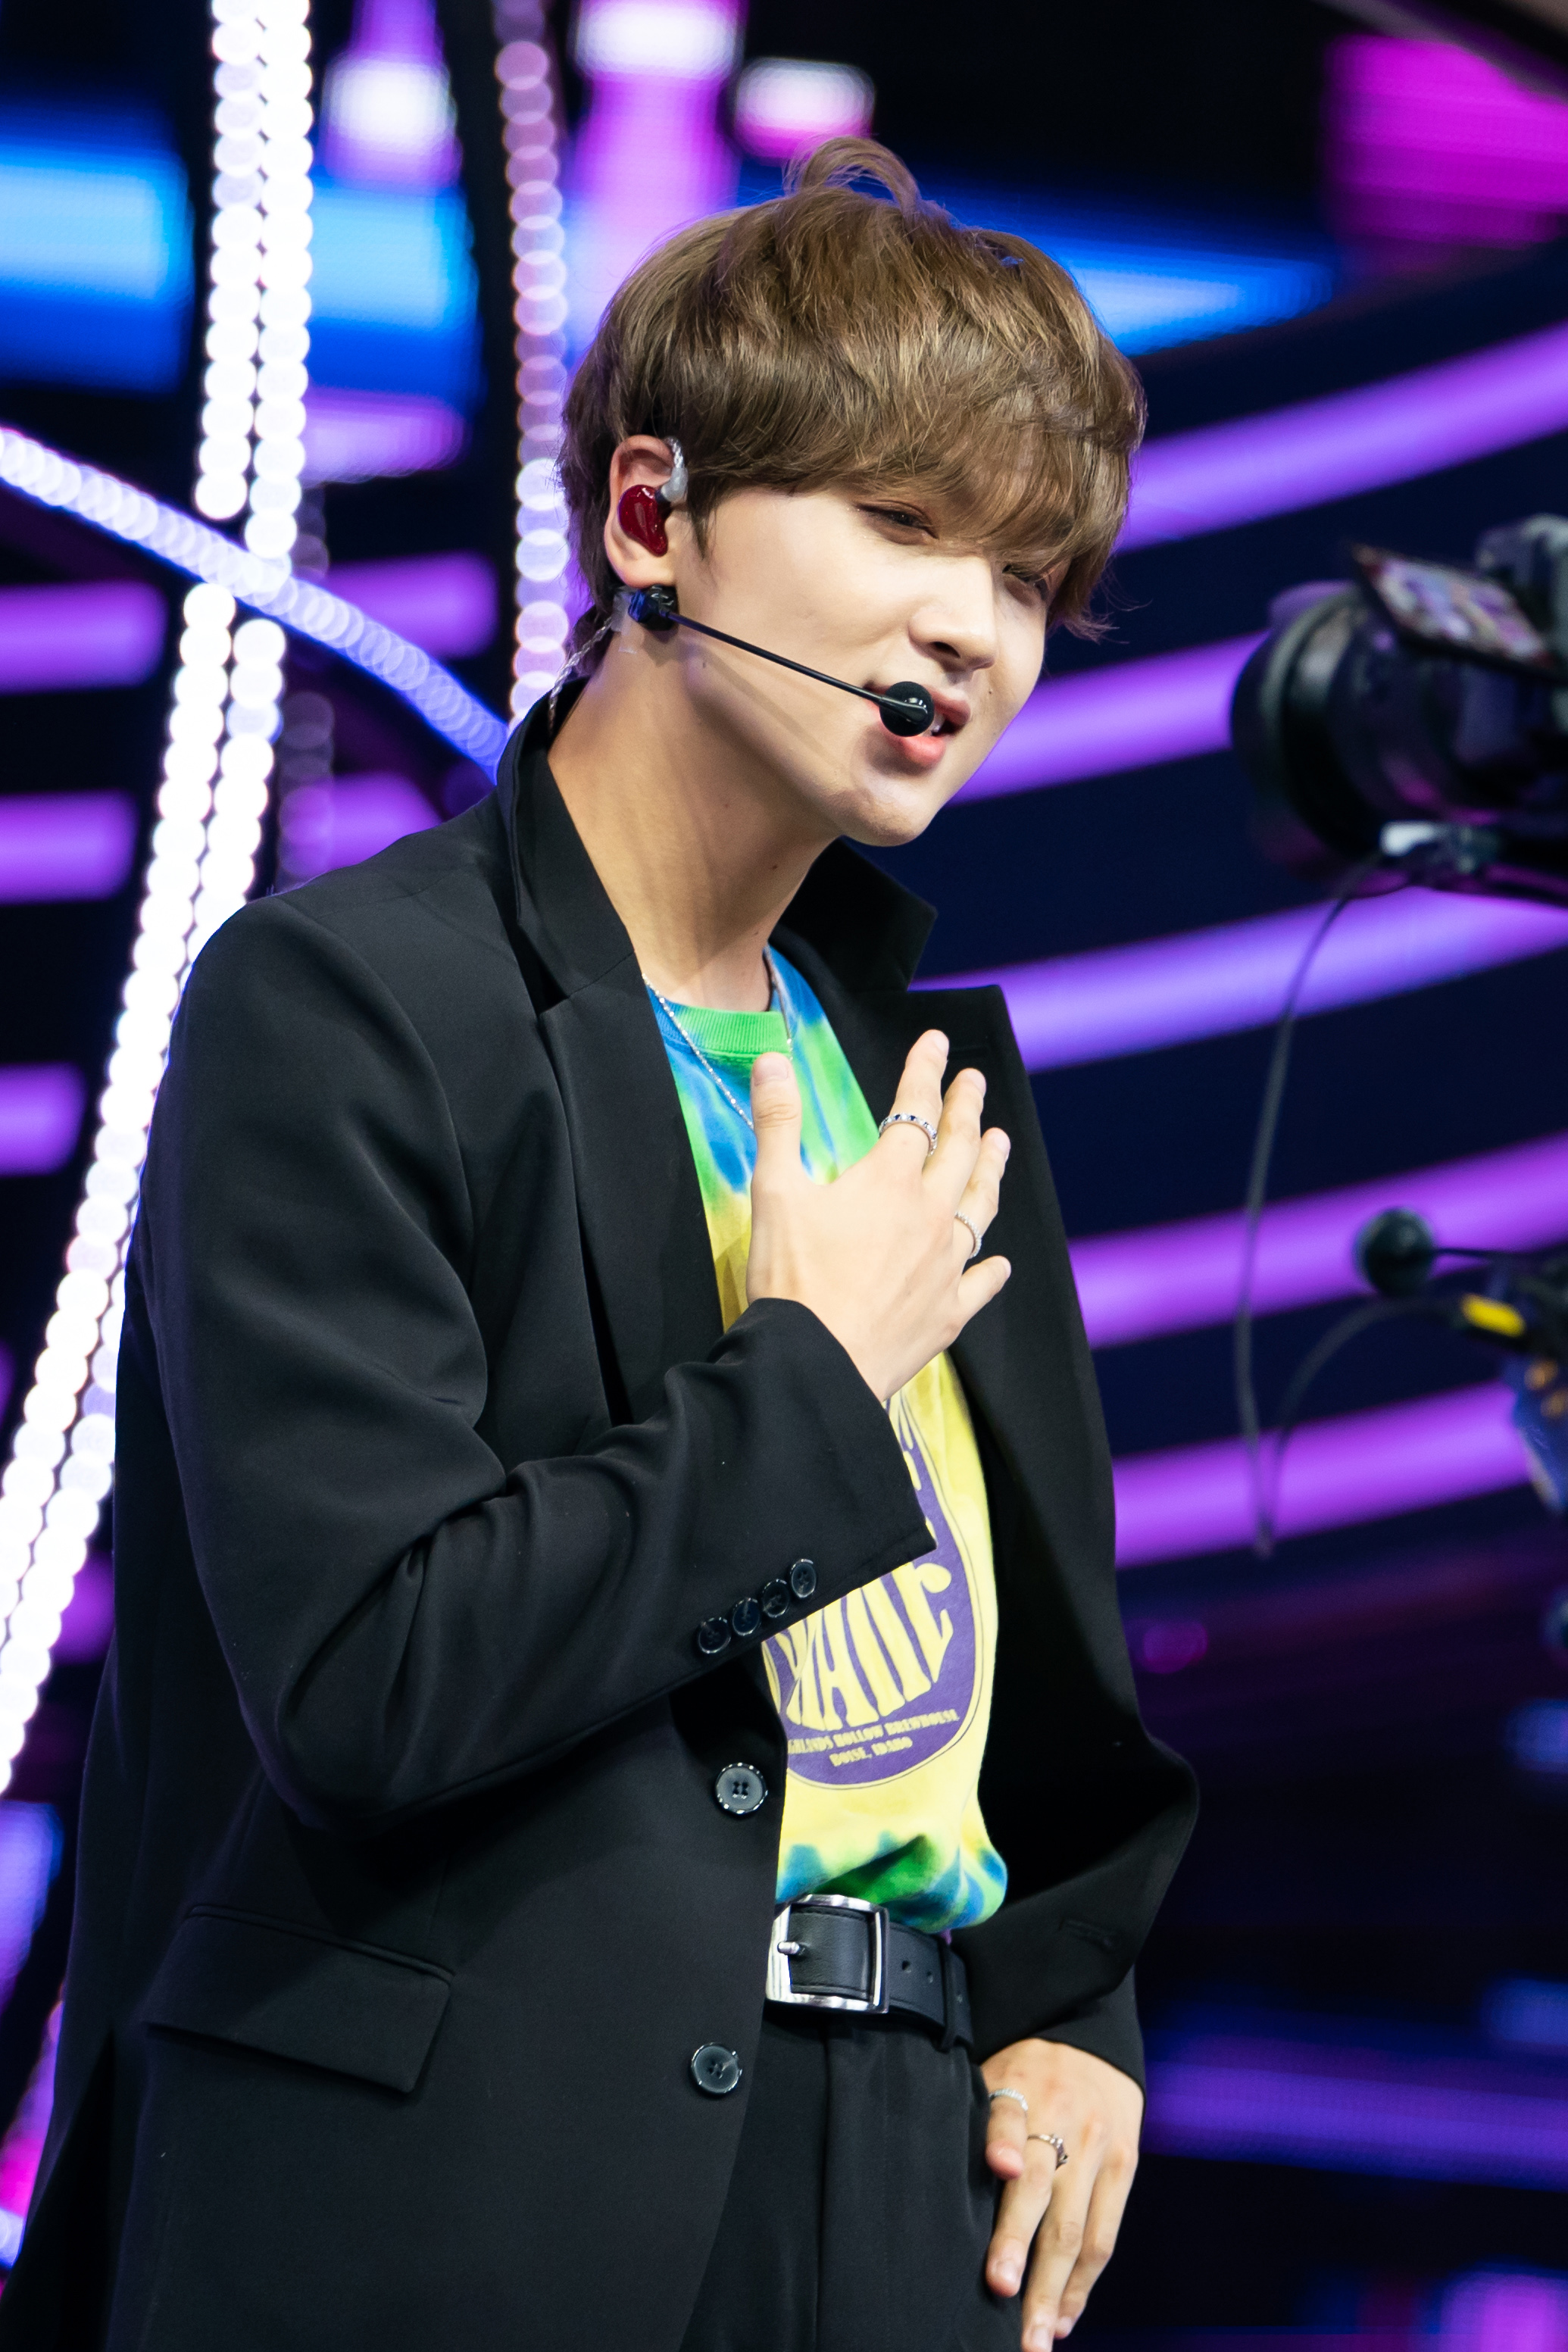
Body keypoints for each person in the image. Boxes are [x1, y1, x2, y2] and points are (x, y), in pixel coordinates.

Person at [0, 139, 1195, 2351]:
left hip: (894, 2202)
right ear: (654, 518)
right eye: (905, 523)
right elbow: (372, 1676)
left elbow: (1026, 1716)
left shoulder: (917, 1077)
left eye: (1031, 575)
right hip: (468, 2192)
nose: (974, 626)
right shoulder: (346, 1002)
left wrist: (1068, 2011)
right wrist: (805, 1383)